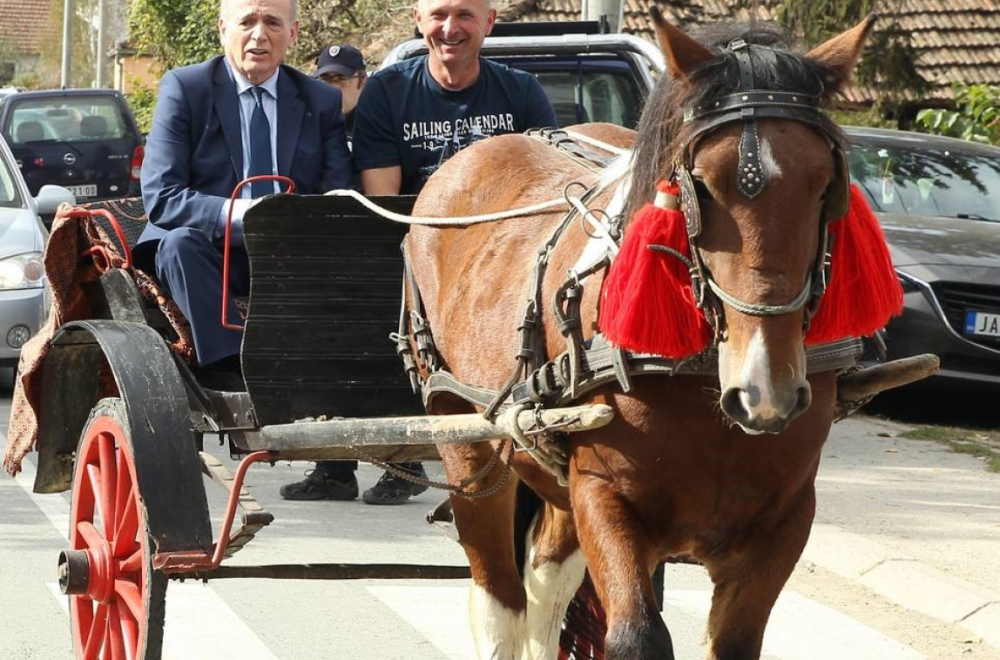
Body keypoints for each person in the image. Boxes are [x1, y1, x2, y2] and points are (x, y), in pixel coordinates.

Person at [350, 0, 558, 505]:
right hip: (423, 250)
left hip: (504, 254)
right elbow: (387, 205)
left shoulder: (522, 91)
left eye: (465, 15)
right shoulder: (388, 90)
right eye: (439, 14)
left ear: (489, 22)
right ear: (418, 20)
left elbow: (548, 191)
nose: (450, 28)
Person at [137, 0, 351, 392]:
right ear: (222, 29)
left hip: (291, 257)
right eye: (247, 21)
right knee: (179, 244)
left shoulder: (320, 101)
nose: (259, 34)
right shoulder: (185, 89)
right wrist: (251, 215)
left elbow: (339, 195)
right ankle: (228, 366)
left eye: (272, 22)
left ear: (293, 33)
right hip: (209, 257)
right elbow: (162, 197)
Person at [279, 43, 370, 502]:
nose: (332, 88)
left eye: (340, 79)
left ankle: (405, 463)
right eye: (325, 80)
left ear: (360, 80)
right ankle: (335, 469)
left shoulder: (374, 124)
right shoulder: (312, 121)